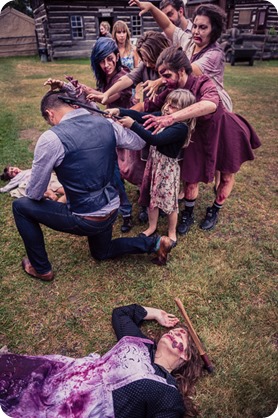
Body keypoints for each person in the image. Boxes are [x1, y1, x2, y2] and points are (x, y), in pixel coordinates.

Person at [12, 91, 175, 282]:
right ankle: (155, 243)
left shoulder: (51, 138)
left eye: (50, 121)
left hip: (86, 217)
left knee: (21, 206)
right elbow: (139, 142)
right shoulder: (106, 123)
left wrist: (46, 194)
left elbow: (33, 192)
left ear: (50, 114)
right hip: (113, 209)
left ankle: (41, 268)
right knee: (101, 252)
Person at [0, 303, 204, 417]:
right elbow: (121, 314)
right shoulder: (141, 343)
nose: (176, 333)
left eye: (182, 337)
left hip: (78, 410)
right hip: (57, 375)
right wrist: (157, 313)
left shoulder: (169, 394)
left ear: (185, 356)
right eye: (176, 331)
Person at [141, 46, 261, 233]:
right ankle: (188, 213)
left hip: (223, 132)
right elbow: (150, 106)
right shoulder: (172, 88)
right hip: (197, 138)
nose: (163, 81)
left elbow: (210, 103)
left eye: (166, 75)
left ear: (181, 71)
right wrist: (122, 108)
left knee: (227, 175)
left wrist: (172, 117)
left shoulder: (204, 83)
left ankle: (215, 208)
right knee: (190, 178)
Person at [99, 31, 171, 223]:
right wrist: (108, 94)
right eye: (144, 59)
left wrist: (160, 80)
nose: (146, 63)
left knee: (163, 164)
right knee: (146, 161)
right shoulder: (145, 67)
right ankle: (146, 201)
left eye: (148, 59)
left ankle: (162, 201)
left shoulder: (170, 68)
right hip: (147, 118)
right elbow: (127, 79)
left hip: (167, 120)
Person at [108, 89, 196, 244]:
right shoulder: (164, 117)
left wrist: (132, 125)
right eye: (168, 103)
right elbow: (142, 116)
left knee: (170, 204)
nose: (168, 107)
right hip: (154, 165)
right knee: (152, 199)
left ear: (184, 111)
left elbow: (155, 139)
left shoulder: (180, 127)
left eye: (173, 106)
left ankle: (171, 231)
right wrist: (119, 111)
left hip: (167, 170)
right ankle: (152, 227)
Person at [112, 20, 141, 104]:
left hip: (130, 89)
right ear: (115, 34)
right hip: (115, 89)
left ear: (127, 33)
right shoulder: (112, 51)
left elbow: (138, 72)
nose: (122, 35)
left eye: (124, 32)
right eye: (119, 32)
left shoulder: (133, 49)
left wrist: (137, 93)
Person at [0, 165, 65, 202]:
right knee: (41, 185)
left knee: (60, 187)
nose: (14, 170)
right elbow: (6, 188)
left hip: (46, 178)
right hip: (36, 181)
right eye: (12, 173)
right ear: (12, 177)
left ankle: (63, 198)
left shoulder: (27, 170)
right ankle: (52, 196)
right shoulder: (15, 179)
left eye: (12, 168)